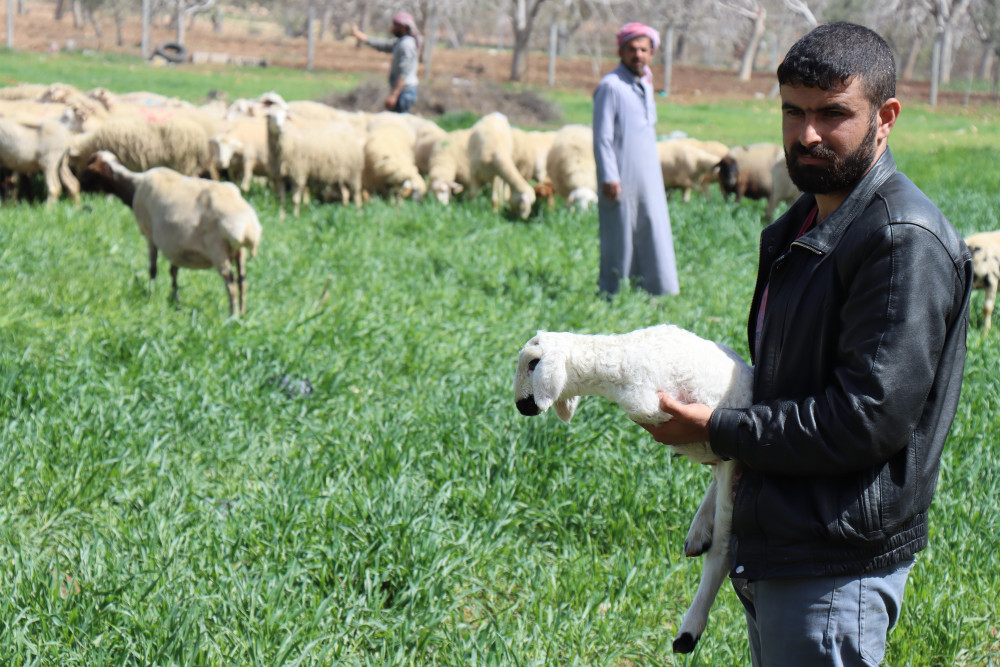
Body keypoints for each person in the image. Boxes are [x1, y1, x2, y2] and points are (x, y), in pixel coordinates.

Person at [642, 22, 971, 666]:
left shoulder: (899, 239)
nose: (807, 133)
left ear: (886, 117)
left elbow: (865, 419)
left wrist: (723, 428)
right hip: (788, 533)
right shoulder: (806, 220)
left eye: (832, 114)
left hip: (834, 558)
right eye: (793, 111)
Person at [592, 23, 679, 298]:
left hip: (648, 174)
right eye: (632, 49)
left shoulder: (645, 82)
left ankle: (655, 289)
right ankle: (612, 292)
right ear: (621, 51)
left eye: (643, 49)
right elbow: (602, 136)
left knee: (652, 227)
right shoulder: (610, 86)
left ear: (651, 53)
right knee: (619, 234)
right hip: (620, 174)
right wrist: (609, 176)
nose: (638, 55)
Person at [351, 13, 421, 113]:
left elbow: (404, 72)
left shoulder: (406, 45)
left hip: (404, 92)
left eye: (395, 26)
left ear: (404, 28)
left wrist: (394, 95)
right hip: (402, 91)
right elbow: (383, 45)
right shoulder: (401, 42)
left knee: (397, 125)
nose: (392, 28)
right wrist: (359, 35)